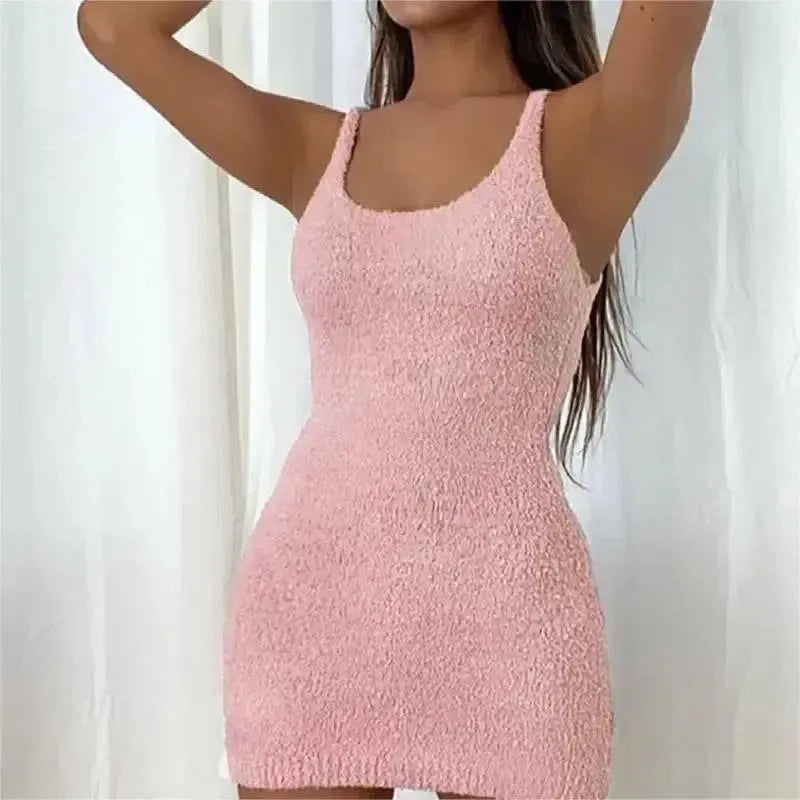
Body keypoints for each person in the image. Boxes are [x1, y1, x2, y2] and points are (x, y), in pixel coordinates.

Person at [78, 1, 713, 798]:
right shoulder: (317, 149)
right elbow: (114, 27)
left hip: (506, 634)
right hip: (309, 619)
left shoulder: (595, 133)